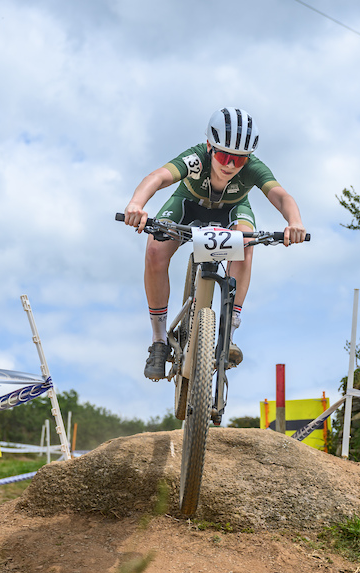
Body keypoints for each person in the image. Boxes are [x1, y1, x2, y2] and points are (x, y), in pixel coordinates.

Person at [124, 107, 307, 380]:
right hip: (188, 205)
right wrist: (136, 205)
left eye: (240, 160)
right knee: (154, 249)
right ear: (210, 147)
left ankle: (228, 333)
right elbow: (158, 177)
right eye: (223, 155)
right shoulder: (196, 158)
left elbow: (280, 195)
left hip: (232, 211)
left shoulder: (253, 169)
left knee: (247, 242)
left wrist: (295, 221)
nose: (230, 165)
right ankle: (159, 341)